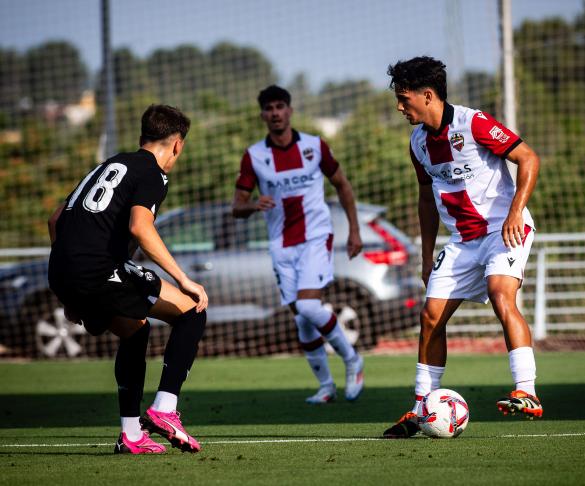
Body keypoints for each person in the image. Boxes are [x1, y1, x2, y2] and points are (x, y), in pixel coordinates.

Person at [383, 57, 542, 438]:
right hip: (461, 242)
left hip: (503, 229)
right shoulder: (417, 142)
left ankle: (527, 392)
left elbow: (528, 158)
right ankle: (421, 409)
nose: (399, 107)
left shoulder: (474, 123)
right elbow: (426, 198)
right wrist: (425, 256)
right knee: (430, 317)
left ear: (427, 95)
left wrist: (515, 212)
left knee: (501, 293)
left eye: (404, 99)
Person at [48, 104, 209, 454]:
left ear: (142, 137)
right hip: (97, 269)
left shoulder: (108, 165)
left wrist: (70, 294)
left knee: (136, 329)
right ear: (177, 145)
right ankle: (165, 410)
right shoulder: (152, 173)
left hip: (61, 270)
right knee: (193, 309)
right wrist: (183, 279)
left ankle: (132, 434)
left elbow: (55, 218)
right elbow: (141, 227)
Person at [232, 85, 365, 404]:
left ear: (289, 110)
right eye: (269, 108)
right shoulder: (255, 156)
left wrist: (355, 231)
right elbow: (237, 206)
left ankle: (352, 360)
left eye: (280, 106)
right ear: (262, 114)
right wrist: (253, 205)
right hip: (281, 245)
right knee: (302, 320)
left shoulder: (314, 146)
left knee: (308, 306)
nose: (275, 113)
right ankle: (326, 387)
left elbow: (342, 186)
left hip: (316, 237)